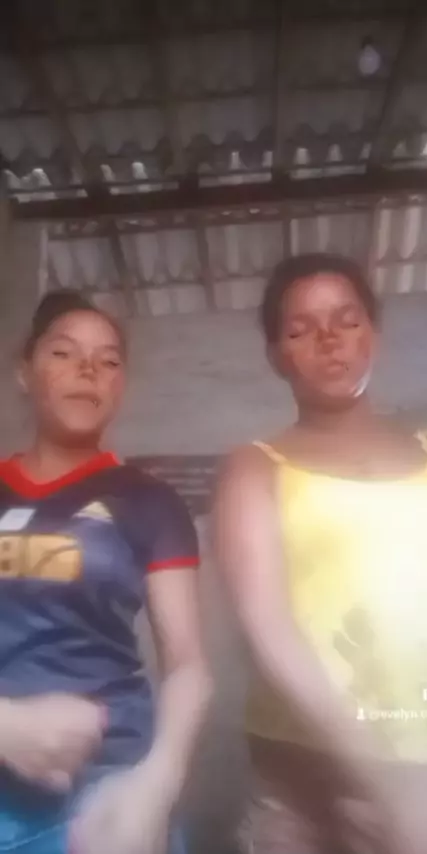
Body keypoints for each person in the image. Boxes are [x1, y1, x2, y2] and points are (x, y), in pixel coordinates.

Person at [213, 253, 427, 854]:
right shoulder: (255, 468)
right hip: (314, 775)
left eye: (347, 319)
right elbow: (268, 628)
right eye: (300, 329)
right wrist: (388, 778)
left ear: (373, 335)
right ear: (276, 356)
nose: (329, 340)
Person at [0, 291, 212, 854]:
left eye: (109, 360)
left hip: (111, 791)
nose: (88, 369)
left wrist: (157, 785)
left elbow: (188, 665)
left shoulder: (150, 501)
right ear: (25, 370)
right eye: (63, 353)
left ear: (120, 385)